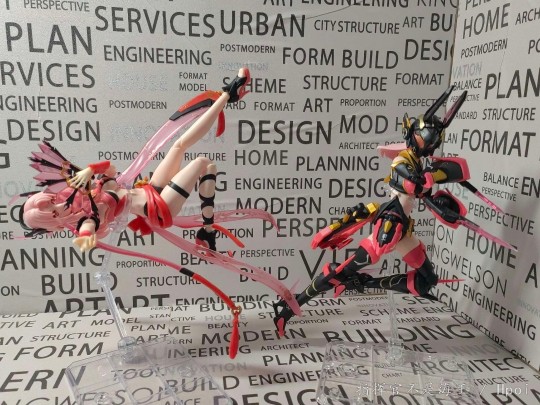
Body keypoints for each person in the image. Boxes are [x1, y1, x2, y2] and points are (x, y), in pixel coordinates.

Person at [273, 86, 515, 336]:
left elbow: (426, 187)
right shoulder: (402, 161)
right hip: (389, 224)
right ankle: (289, 307)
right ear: (415, 134)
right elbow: (412, 183)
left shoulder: (418, 161)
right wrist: (431, 178)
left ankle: (362, 283)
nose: (429, 143)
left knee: (427, 281)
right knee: (342, 270)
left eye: (433, 139)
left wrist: (439, 189)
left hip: (404, 230)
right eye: (426, 137)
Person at [21, 68, 251, 252]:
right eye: (53, 213)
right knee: (202, 162)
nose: (57, 206)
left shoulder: (85, 192)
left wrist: (90, 170)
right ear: (55, 224)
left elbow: (111, 168)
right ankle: (208, 231)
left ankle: (227, 96)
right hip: (158, 208)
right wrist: (85, 237)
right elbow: (88, 227)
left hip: (151, 190)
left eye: (52, 201)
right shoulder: (88, 215)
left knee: (179, 145)